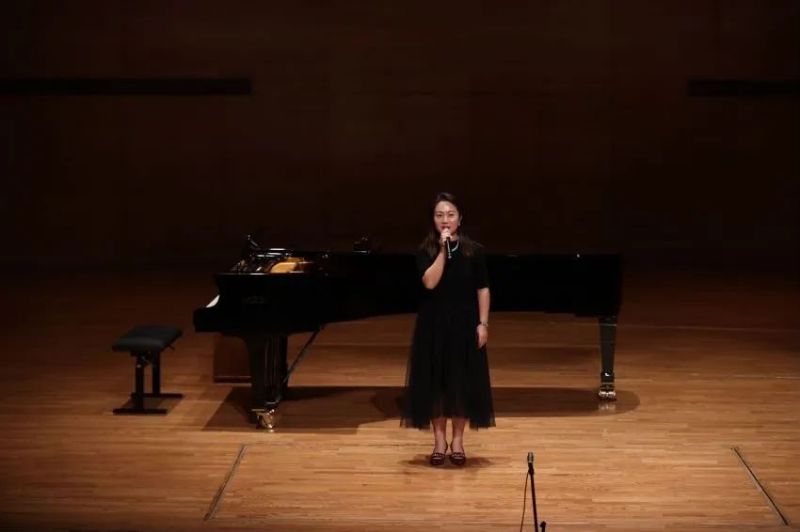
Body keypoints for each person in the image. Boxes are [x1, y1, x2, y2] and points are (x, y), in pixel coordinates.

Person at [401, 192, 495, 466]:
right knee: (436, 385)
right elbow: (429, 282)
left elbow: (483, 288)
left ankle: (458, 441)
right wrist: (443, 251)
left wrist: (483, 323)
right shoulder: (425, 251)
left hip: (465, 324)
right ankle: (439, 441)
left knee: (462, 383)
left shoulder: (474, 251)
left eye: (450, 214)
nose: (445, 220)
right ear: (433, 219)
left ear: (460, 218)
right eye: (440, 215)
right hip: (433, 325)